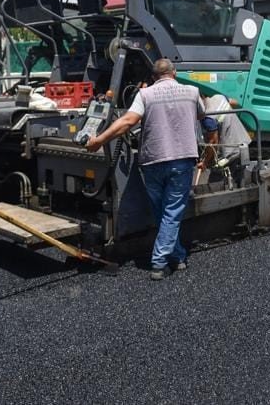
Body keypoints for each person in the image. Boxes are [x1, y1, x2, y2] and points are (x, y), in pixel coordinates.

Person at [84, 58, 206, 280]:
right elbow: (201, 114)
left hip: (152, 162)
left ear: (153, 77)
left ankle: (178, 255)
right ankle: (159, 263)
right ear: (174, 73)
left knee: (162, 212)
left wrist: (99, 140)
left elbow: (128, 121)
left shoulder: (145, 94)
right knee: (172, 213)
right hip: (181, 160)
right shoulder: (192, 92)